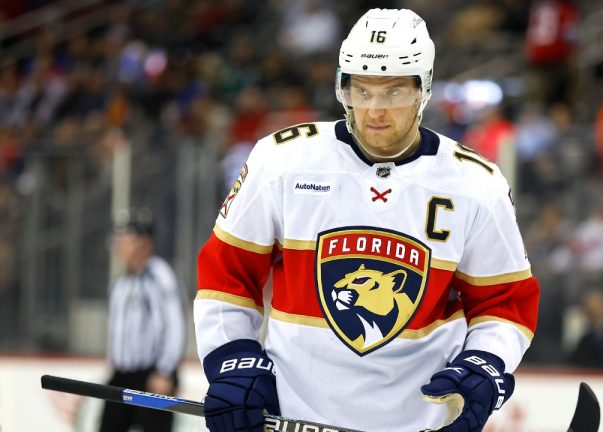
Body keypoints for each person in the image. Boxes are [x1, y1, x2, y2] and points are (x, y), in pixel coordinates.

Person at [195, 8, 540, 432]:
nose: (374, 110)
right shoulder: (281, 160)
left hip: (419, 422)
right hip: (292, 415)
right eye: (362, 90)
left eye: (393, 92)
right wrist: (233, 361)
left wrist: (485, 363)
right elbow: (226, 278)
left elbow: (505, 303)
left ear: (423, 90)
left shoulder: (475, 184)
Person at [100, 208, 187, 432]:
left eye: (126, 236)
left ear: (144, 241)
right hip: (122, 374)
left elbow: (174, 324)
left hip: (151, 375)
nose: (119, 242)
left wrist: (165, 371)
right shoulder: (121, 283)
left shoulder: (159, 275)